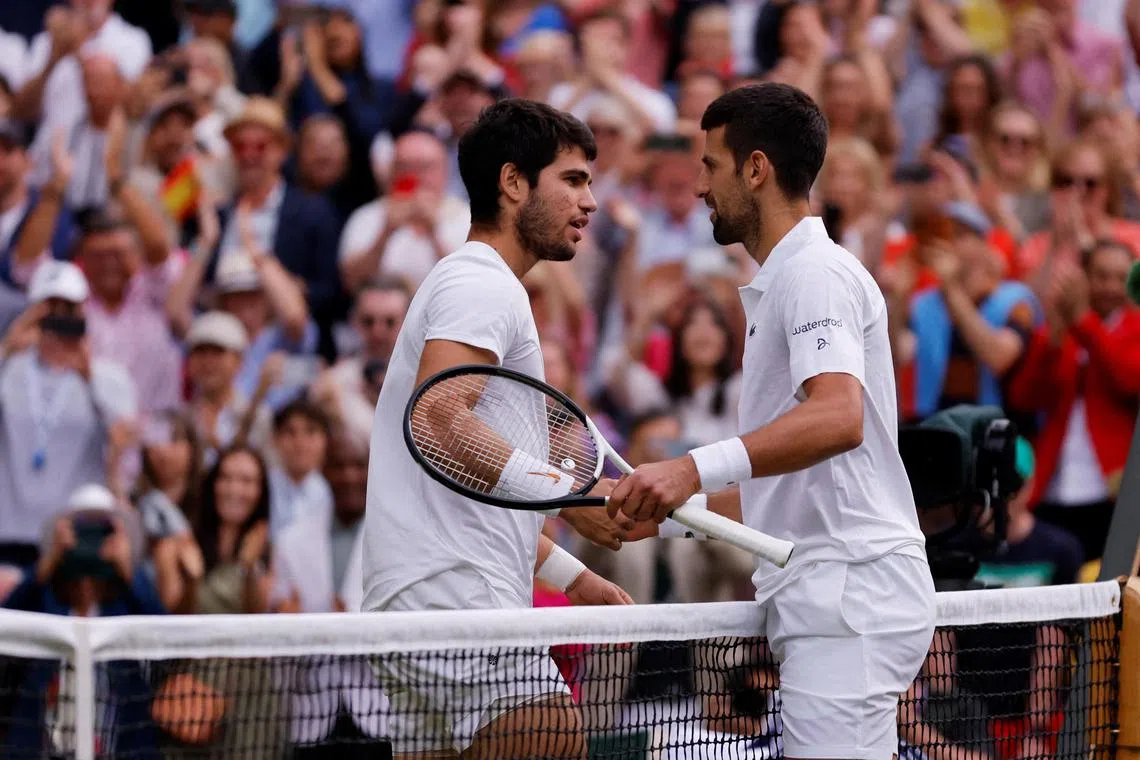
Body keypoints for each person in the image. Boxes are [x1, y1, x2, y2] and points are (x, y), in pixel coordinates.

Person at [609, 83, 937, 760]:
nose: (699, 186)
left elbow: (838, 417)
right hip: (837, 596)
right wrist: (673, 505)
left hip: (847, 597)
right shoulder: (793, 280)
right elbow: (783, 486)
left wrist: (690, 466)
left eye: (710, 166)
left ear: (755, 169)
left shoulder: (813, 275)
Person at [361, 98, 635, 760]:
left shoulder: (470, 283)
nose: (590, 201)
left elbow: (473, 484)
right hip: (461, 604)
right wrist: (569, 494)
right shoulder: (484, 284)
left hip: (418, 608)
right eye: (573, 179)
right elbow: (438, 418)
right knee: (556, 739)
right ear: (513, 183)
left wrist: (573, 577)